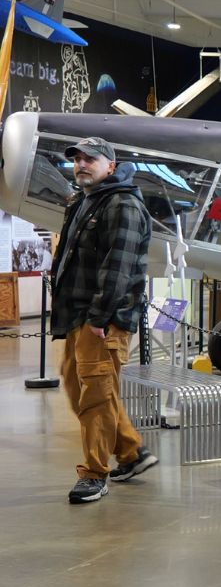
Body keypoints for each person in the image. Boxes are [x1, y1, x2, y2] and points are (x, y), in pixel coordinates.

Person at [50, 137, 155, 505]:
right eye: (77, 159)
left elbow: (119, 269)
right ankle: (130, 451)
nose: (81, 164)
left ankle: (95, 474)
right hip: (78, 314)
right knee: (77, 384)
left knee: (94, 395)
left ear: (111, 165)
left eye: (90, 159)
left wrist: (101, 316)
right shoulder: (84, 200)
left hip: (101, 319)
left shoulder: (122, 204)